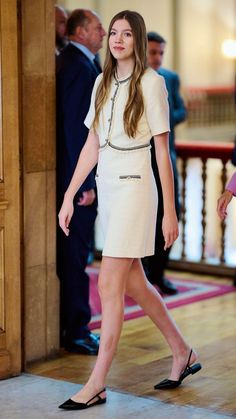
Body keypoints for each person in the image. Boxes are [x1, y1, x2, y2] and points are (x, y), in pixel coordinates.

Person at [58, 10, 201, 411]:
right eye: (113, 33)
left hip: (138, 191)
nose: (118, 39)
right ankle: (182, 351)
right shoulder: (101, 81)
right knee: (135, 282)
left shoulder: (152, 84)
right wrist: (70, 195)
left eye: (126, 33)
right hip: (109, 189)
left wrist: (169, 212)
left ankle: (97, 382)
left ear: (137, 39)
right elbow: (92, 144)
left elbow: (161, 151)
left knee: (108, 284)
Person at [56, 9, 106, 355]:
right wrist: (84, 184)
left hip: (79, 181)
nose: (104, 32)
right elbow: (77, 131)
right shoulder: (76, 65)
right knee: (76, 256)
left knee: (79, 254)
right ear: (80, 31)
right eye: (99, 27)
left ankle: (78, 326)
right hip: (78, 185)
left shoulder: (84, 62)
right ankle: (76, 330)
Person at [142, 32, 187, 295]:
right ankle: (144, 276)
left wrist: (164, 117)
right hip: (142, 161)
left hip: (166, 158)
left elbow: (182, 110)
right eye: (153, 52)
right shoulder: (135, 79)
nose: (157, 57)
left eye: (161, 52)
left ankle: (160, 274)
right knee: (147, 218)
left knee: (170, 215)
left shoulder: (170, 78)